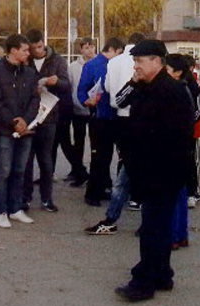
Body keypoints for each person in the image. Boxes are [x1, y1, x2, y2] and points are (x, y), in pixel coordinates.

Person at [114, 40, 194, 302]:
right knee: (157, 226)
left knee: (152, 228)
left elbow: (171, 136)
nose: (135, 65)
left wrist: (147, 165)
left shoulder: (170, 91)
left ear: (157, 61)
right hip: (150, 170)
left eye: (140, 61)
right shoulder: (146, 87)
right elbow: (120, 102)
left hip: (161, 171)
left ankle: (143, 282)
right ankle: (162, 274)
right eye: (134, 61)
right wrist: (135, 82)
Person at [85, 33, 146, 235]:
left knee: (118, 160)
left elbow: (110, 90)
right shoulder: (144, 65)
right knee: (135, 165)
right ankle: (135, 200)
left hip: (119, 115)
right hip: (139, 119)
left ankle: (109, 210)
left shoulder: (115, 62)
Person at [0, 34, 40, 228]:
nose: (29, 53)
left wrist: (26, 120)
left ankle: (16, 208)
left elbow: (35, 99)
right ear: (13, 50)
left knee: (20, 170)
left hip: (26, 129)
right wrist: (12, 122)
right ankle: (1, 210)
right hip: (4, 130)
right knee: (4, 170)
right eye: (25, 50)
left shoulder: (29, 72)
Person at [24, 29, 72, 213]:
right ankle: (25, 197)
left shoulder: (57, 60)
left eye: (40, 46)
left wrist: (55, 82)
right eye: (33, 48)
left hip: (49, 115)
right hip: (29, 115)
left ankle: (46, 198)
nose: (38, 50)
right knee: (26, 160)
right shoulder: (25, 60)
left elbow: (67, 85)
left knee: (45, 159)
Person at [77, 37, 125, 207]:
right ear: (112, 49)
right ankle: (92, 192)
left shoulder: (117, 65)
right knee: (99, 156)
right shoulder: (92, 65)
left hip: (116, 115)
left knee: (110, 155)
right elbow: (81, 89)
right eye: (119, 53)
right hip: (99, 116)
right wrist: (86, 101)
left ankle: (106, 186)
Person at [166, 53, 200, 249]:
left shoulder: (179, 91)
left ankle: (174, 236)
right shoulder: (187, 87)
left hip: (175, 147)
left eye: (167, 69)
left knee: (173, 195)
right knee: (179, 192)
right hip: (182, 146)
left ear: (177, 72)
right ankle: (181, 234)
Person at [67, 37, 96, 187]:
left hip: (93, 110)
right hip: (77, 110)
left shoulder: (100, 64)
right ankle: (78, 172)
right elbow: (70, 86)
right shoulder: (73, 67)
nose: (89, 50)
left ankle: (94, 174)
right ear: (81, 49)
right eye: (86, 47)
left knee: (95, 144)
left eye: (92, 47)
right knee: (78, 143)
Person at [184, 54, 200, 209]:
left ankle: (197, 191)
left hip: (195, 130)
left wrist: (188, 122)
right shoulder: (177, 83)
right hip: (181, 130)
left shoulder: (198, 85)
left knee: (196, 160)